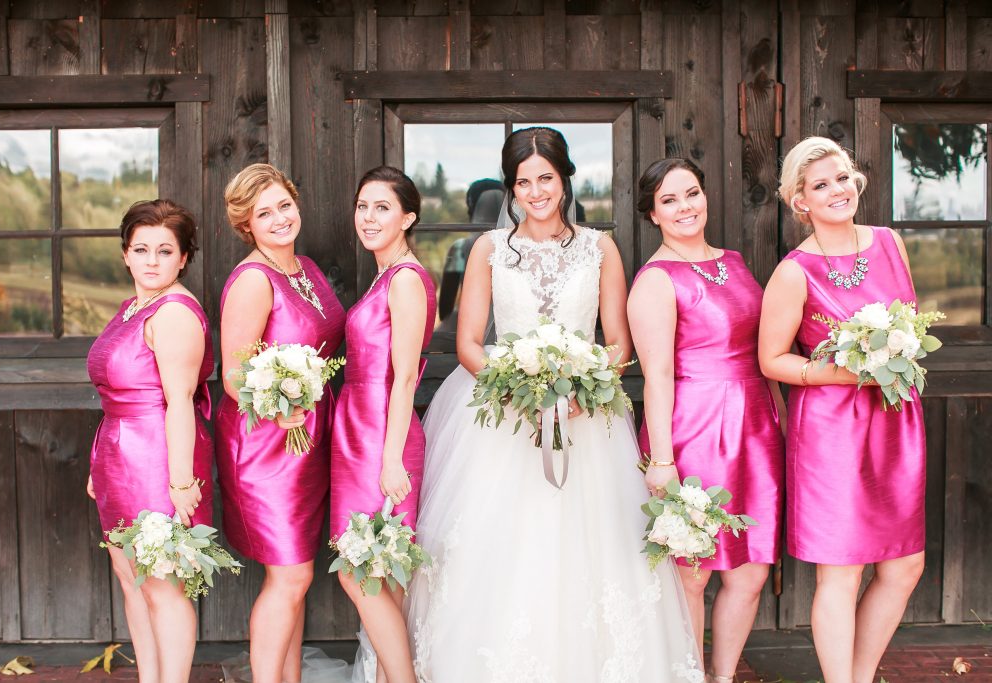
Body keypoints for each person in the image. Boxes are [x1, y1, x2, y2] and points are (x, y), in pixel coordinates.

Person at [405, 127, 703, 682]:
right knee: (502, 546)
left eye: (546, 178)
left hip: (588, 417)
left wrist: (582, 387)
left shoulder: (599, 247)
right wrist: (517, 388)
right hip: (500, 415)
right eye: (524, 182)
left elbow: (617, 342)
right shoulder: (489, 250)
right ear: (511, 188)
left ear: (564, 178)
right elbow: (469, 341)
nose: (536, 191)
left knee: (592, 546)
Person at [758, 136, 926, 683]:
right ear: (799, 200)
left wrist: (897, 352)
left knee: (904, 566)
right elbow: (771, 360)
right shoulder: (794, 271)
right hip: (832, 430)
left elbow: (913, 327)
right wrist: (846, 372)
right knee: (843, 572)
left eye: (842, 177)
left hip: (895, 421)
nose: (837, 190)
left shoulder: (889, 243)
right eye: (820, 184)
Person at [629, 158, 785, 681]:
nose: (685, 207)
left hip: (755, 428)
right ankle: (688, 674)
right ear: (652, 213)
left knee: (752, 568)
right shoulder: (655, 280)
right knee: (692, 573)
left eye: (691, 193)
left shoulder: (736, 261)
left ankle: (722, 675)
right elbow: (656, 376)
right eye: (669, 200)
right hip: (693, 430)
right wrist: (662, 460)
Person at [215, 163, 346, 683]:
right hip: (265, 443)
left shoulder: (306, 267)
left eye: (283, 205)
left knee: (296, 576)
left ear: (297, 203)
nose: (278, 219)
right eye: (262, 213)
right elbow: (233, 373)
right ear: (246, 224)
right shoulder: (252, 279)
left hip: (306, 439)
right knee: (290, 576)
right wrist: (275, 404)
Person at [87, 199, 213, 683]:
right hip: (117, 456)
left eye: (165, 251)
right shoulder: (132, 308)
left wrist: (181, 483)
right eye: (141, 249)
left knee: (164, 586)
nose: (151, 260)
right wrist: (97, 464)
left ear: (183, 258)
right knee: (131, 581)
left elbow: (180, 403)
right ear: (125, 254)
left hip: (159, 459)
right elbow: (114, 393)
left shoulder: (175, 313)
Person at [330, 166, 436, 683]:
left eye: (383, 208)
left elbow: (404, 377)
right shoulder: (385, 273)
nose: (369, 218)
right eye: (362, 206)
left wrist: (392, 458)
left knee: (361, 572)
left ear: (408, 217)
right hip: (358, 430)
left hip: (381, 434)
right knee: (381, 577)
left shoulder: (408, 280)